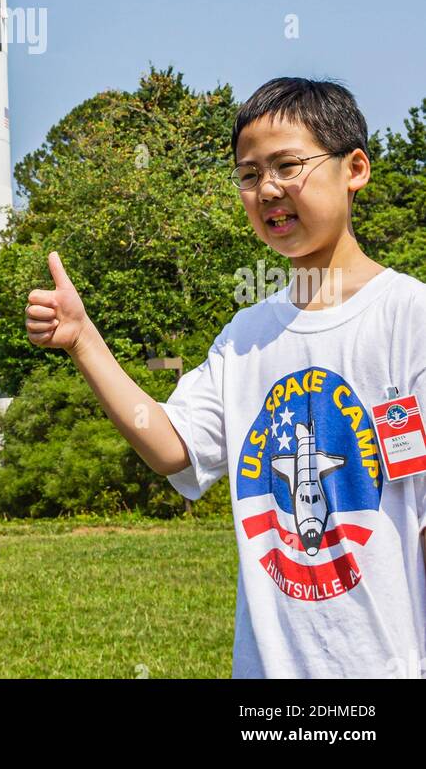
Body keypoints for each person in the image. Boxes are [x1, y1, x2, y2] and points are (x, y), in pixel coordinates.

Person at [26, 77, 426, 679]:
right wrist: (85, 340)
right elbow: (171, 446)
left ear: (356, 169)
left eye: (288, 166)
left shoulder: (410, 319)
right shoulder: (245, 336)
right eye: (248, 174)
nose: (267, 189)